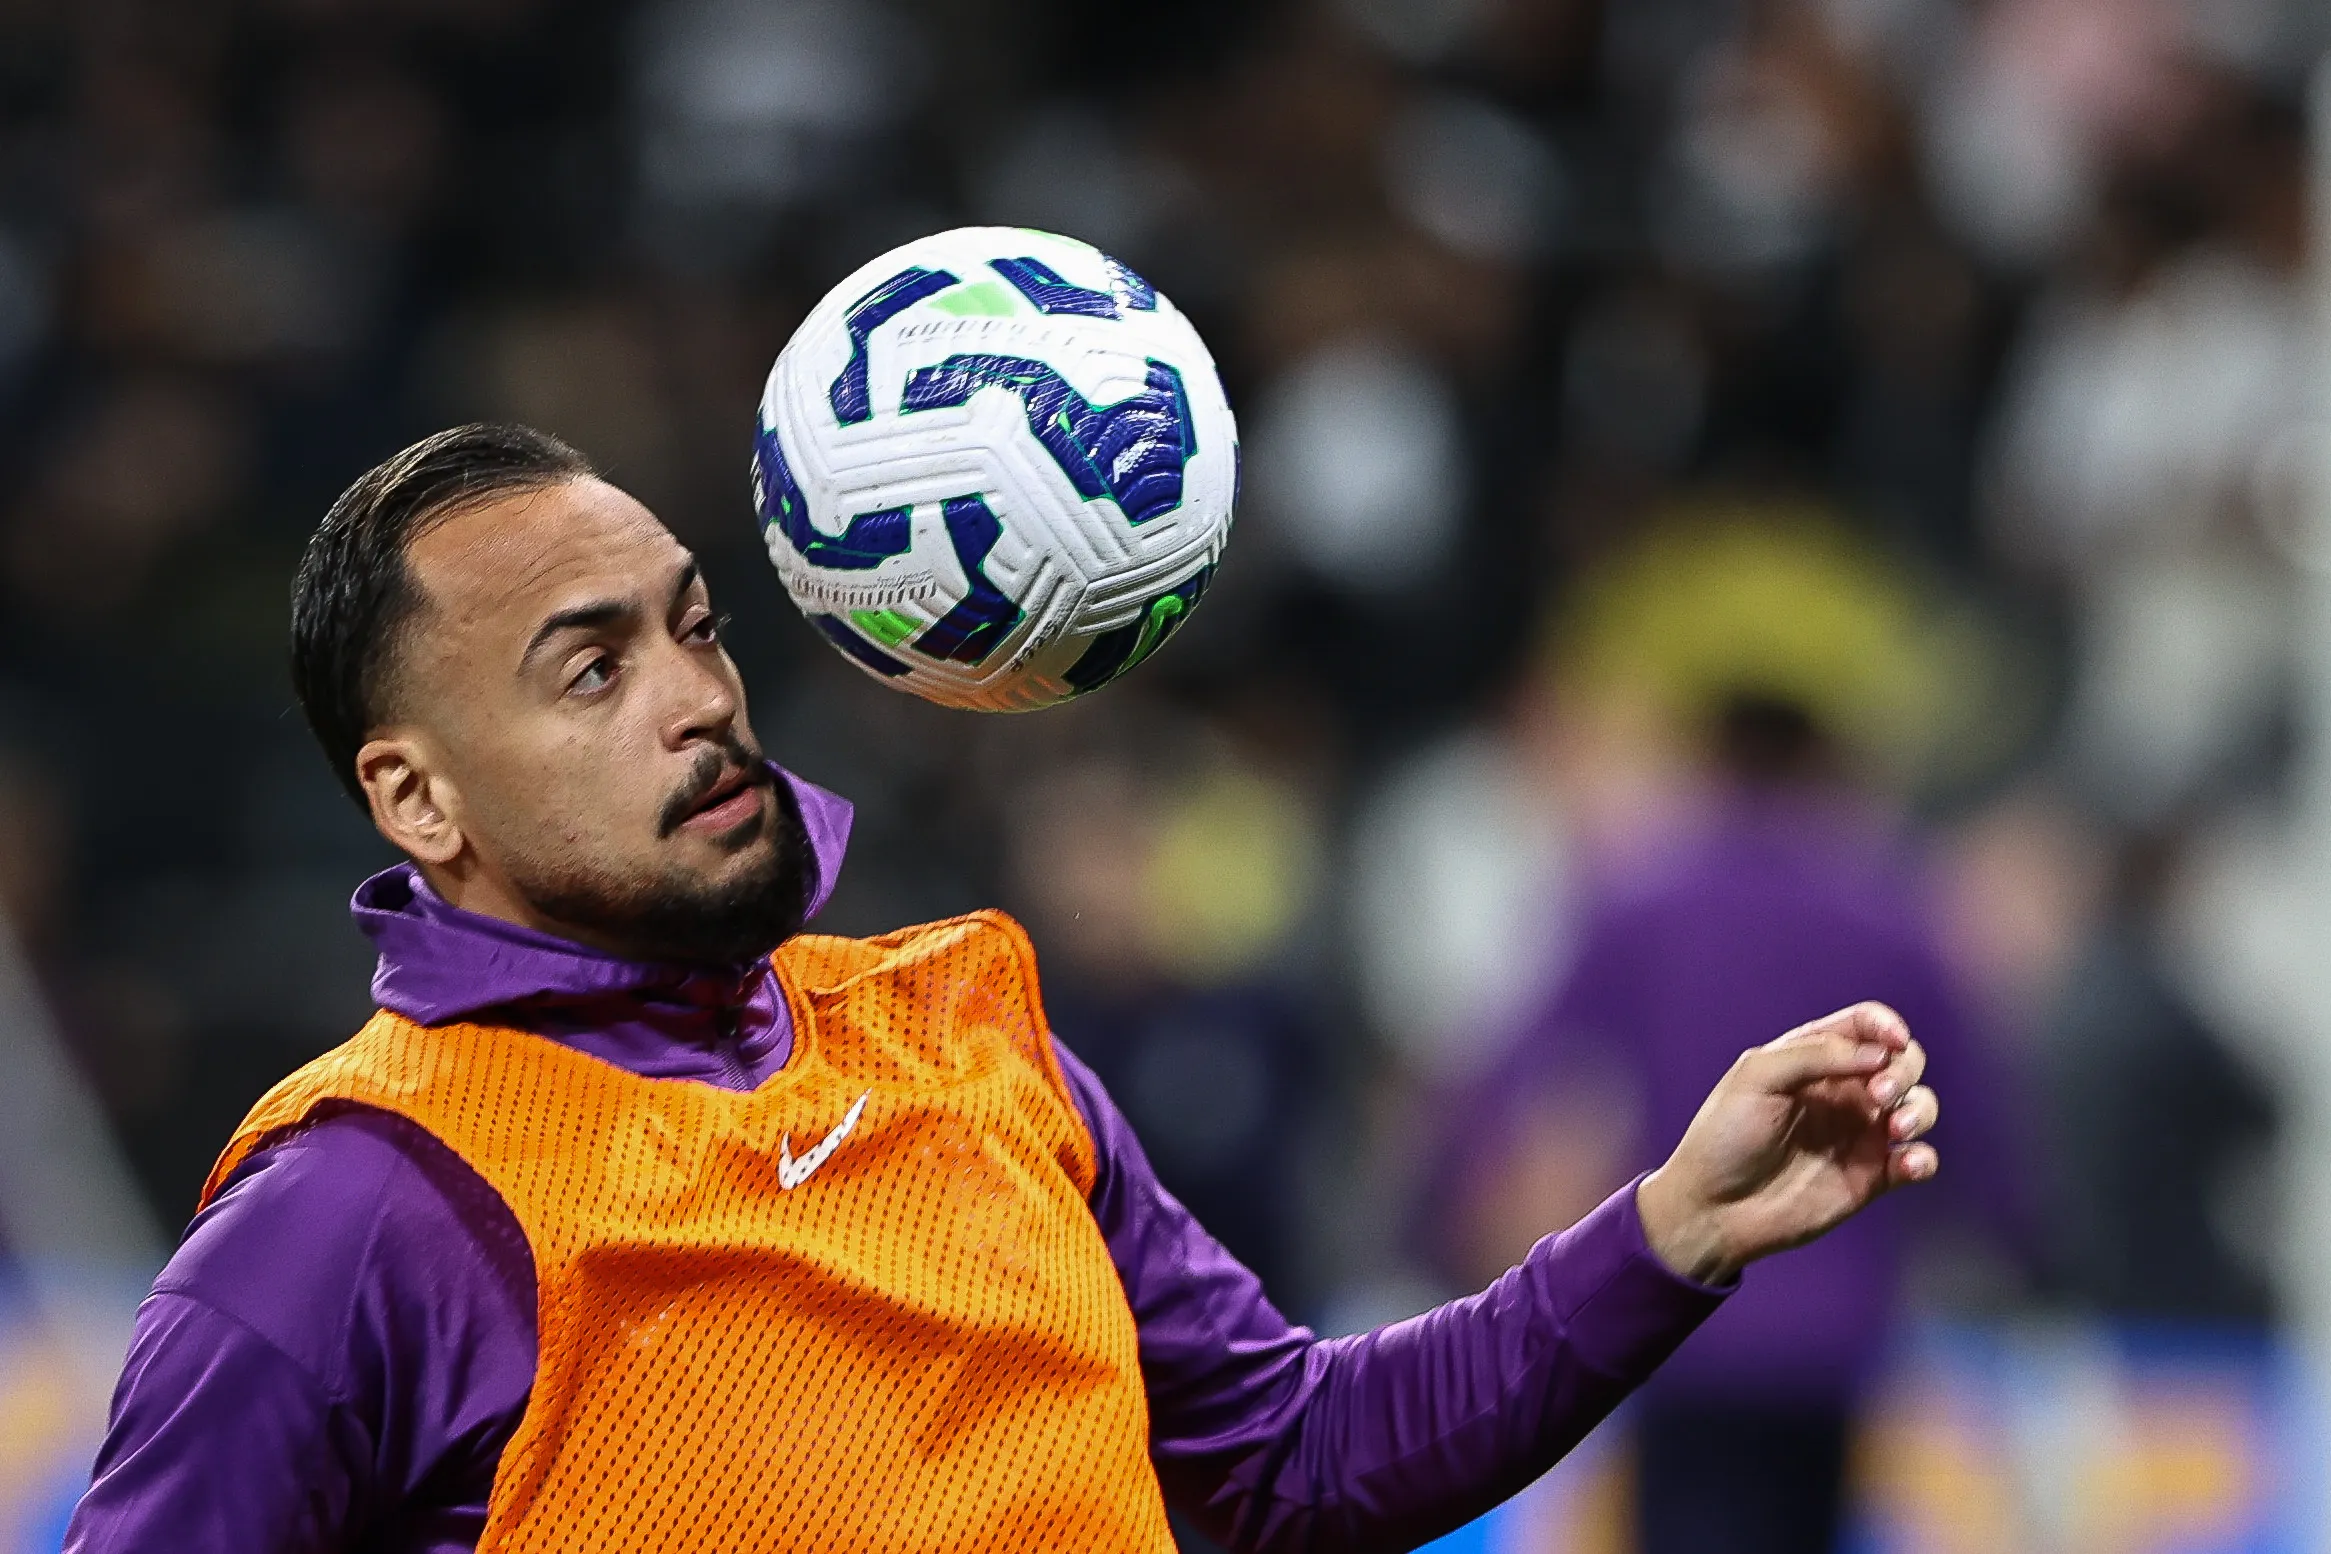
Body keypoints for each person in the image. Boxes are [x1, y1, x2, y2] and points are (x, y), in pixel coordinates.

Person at [66, 425, 1942, 1554]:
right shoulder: (352, 1215)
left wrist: (1668, 1228)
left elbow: (1291, 1463)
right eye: (589, 668)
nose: (698, 694)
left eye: (694, 622)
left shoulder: (969, 1032)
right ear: (417, 793)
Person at [1436, 692, 2022, 1554]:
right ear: (1823, 763)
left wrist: (1430, 1216)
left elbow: (1511, 1065)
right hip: (1834, 1339)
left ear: (1711, 762)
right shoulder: (1887, 912)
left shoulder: (1640, 904)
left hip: (1682, 1318)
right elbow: (1975, 1115)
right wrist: (2015, 1247)